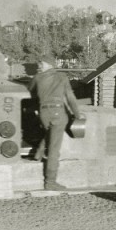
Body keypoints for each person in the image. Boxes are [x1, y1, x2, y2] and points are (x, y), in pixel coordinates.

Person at [28, 55, 85, 190]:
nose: (39, 65)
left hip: (43, 114)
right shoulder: (62, 77)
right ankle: (50, 182)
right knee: (54, 150)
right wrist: (77, 115)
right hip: (58, 113)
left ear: (49, 64)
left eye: (41, 63)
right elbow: (70, 97)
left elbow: (30, 92)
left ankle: (38, 155)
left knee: (49, 134)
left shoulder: (37, 78)